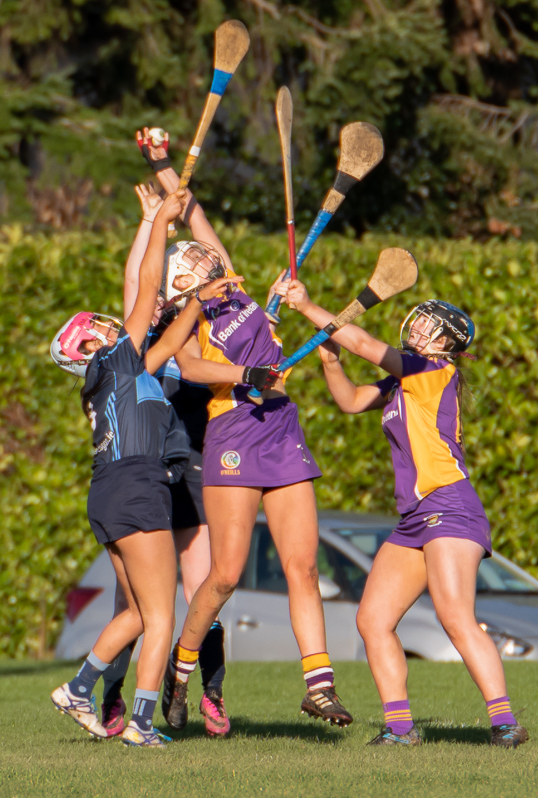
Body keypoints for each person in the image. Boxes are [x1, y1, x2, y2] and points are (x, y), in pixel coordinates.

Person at [139, 131, 353, 729]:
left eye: (213, 261)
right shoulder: (190, 316)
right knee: (226, 574)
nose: (214, 263)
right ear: (185, 283)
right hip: (232, 433)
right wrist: (245, 370)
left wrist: (162, 165)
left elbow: (196, 214)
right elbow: (187, 368)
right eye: (202, 266)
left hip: (280, 428)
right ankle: (179, 679)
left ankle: (319, 683)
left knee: (302, 567)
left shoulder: (239, 296)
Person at [277, 281, 528, 749]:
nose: (418, 328)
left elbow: (366, 345)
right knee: (373, 620)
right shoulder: (403, 381)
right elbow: (350, 401)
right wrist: (331, 360)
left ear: (448, 346)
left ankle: (505, 722)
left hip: (450, 505)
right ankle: (400, 729)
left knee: (455, 616)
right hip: (415, 516)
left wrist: (308, 306)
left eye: (431, 326)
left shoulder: (434, 370)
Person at [49, 190, 239, 747]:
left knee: (135, 611)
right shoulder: (115, 356)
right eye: (99, 328)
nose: (112, 326)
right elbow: (148, 283)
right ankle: (138, 724)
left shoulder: (126, 371)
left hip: (107, 493)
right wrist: (157, 222)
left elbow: (173, 340)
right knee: (160, 616)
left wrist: (202, 298)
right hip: (137, 487)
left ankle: (79, 689)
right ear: (89, 344)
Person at [99, 173, 230, 739]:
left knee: (206, 591)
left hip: (194, 464)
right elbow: (138, 277)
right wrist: (153, 221)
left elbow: (220, 267)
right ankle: (111, 698)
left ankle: (207, 695)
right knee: (137, 601)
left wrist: (177, 201)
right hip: (148, 469)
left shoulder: (205, 325)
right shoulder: (142, 334)